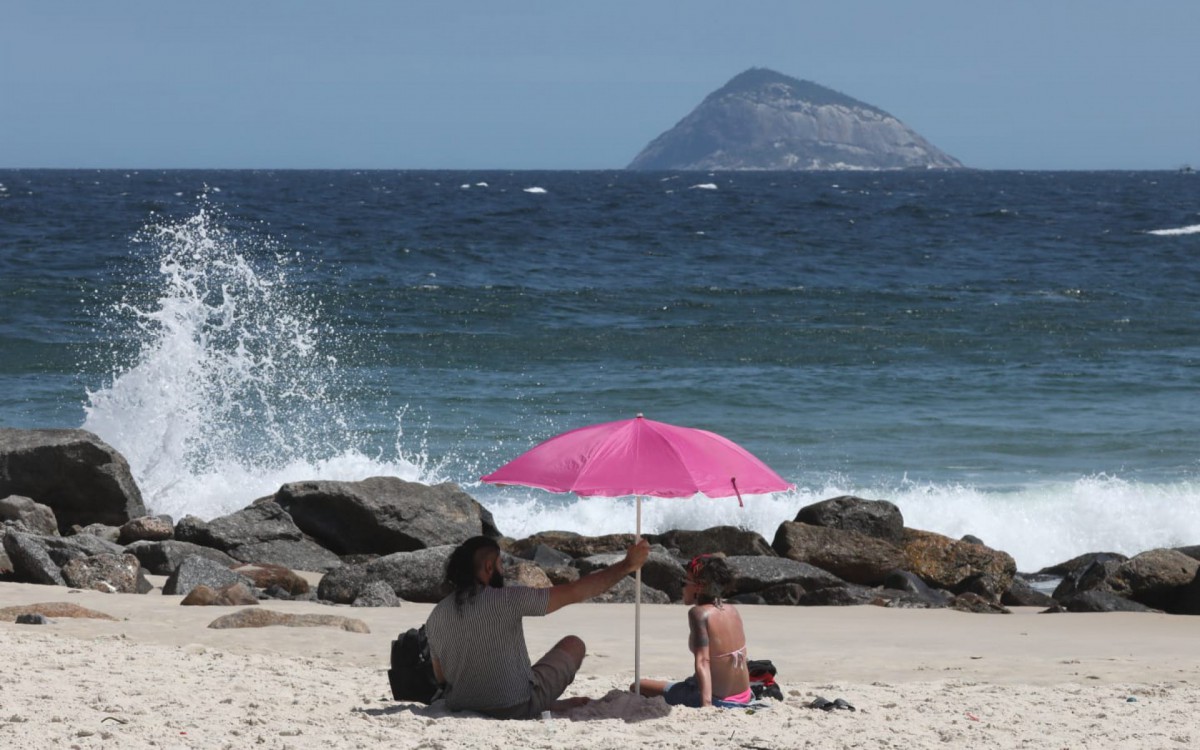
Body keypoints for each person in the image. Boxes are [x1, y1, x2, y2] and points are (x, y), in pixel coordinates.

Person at [425, 535, 651, 720]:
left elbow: (442, 677)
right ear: (488, 567)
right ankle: (542, 702)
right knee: (574, 644)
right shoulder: (506, 599)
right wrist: (627, 565)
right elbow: (576, 591)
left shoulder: (436, 615)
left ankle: (549, 703)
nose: (502, 570)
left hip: (461, 705)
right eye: (500, 564)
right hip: (515, 707)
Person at [632, 553, 752, 708]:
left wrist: (706, 705)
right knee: (679, 684)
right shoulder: (732, 610)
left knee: (638, 686)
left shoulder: (699, 614)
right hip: (745, 695)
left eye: (684, 582)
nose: (682, 587)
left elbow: (703, 661)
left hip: (718, 699)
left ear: (699, 586)